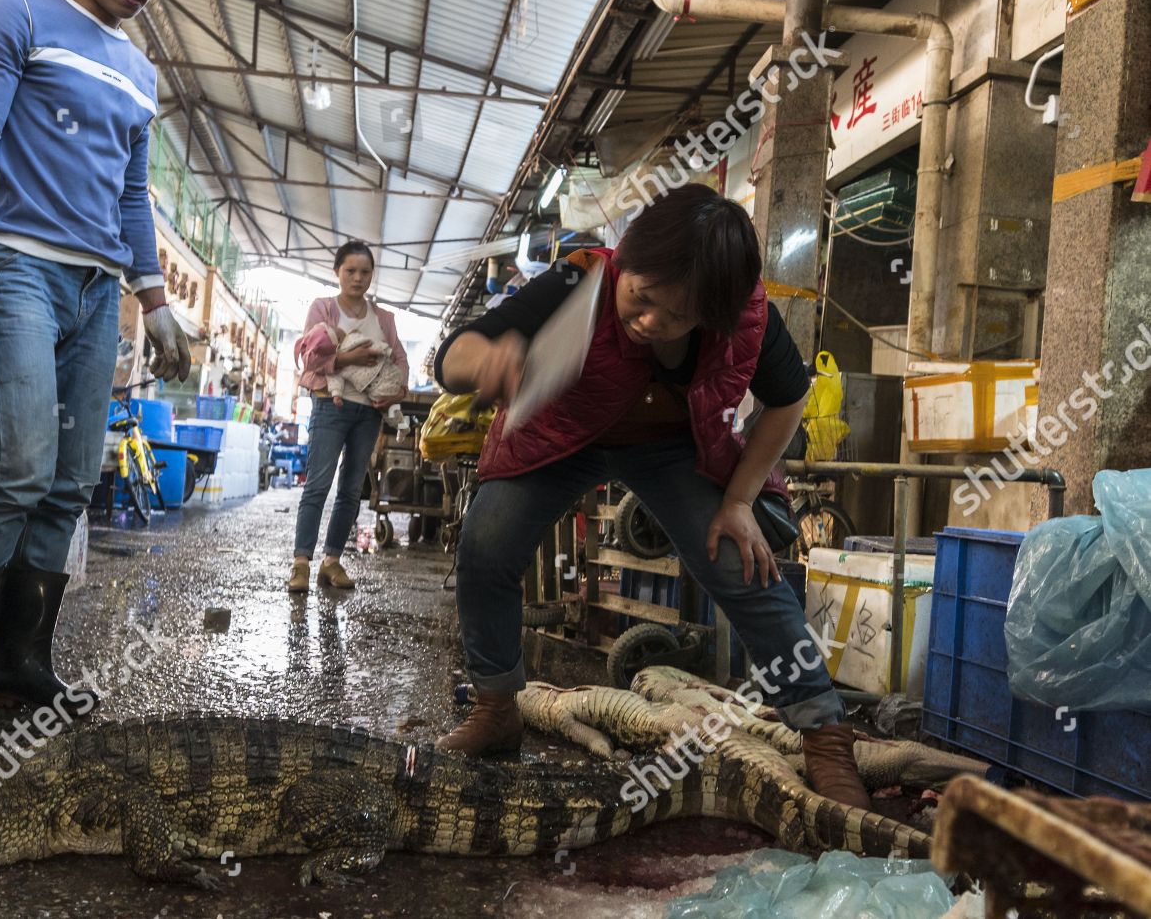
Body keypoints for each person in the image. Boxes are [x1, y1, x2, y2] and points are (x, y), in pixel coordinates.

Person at [431, 184, 872, 810]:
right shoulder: (578, 279)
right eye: (639, 298)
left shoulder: (746, 315)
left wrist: (740, 500)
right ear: (624, 262)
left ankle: (826, 736)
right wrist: (487, 361)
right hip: (561, 435)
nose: (648, 323)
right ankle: (497, 705)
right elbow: (452, 355)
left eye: (675, 316)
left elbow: (789, 397)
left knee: (739, 561)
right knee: (487, 541)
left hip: (673, 445)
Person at [0, 0, 191, 723]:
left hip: (96, 289)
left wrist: (156, 298)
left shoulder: (141, 73)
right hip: (16, 267)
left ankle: (23, 659)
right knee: (18, 466)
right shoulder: (17, 15)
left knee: (72, 481)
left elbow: (132, 195)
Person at [289, 241, 410, 592]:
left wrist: (397, 390)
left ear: (372, 275)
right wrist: (348, 361)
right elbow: (312, 357)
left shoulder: (384, 319)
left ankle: (332, 562)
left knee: (351, 489)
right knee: (317, 484)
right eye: (351, 271)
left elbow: (400, 359)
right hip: (330, 404)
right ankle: (301, 564)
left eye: (365, 272)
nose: (358, 278)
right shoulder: (323, 309)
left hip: (368, 413)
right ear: (337, 272)